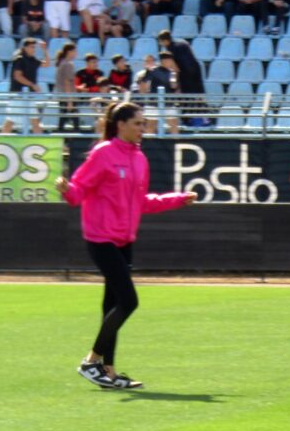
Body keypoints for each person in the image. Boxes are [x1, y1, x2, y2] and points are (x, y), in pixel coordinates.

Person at [55, 101, 196, 390]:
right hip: (101, 238)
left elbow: (142, 202)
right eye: (138, 123)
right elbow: (79, 191)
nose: (143, 128)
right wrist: (67, 189)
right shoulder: (103, 153)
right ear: (121, 125)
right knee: (129, 301)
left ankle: (109, 372)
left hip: (124, 240)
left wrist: (178, 199)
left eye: (144, 123)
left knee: (112, 304)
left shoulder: (139, 159)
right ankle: (91, 361)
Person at [11, 37, 50, 133]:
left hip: (28, 95)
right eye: (32, 47)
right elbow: (17, 76)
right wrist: (32, 85)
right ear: (25, 47)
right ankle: (1, 141)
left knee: (34, 121)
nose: (34, 49)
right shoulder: (19, 59)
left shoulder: (32, 59)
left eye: (34, 47)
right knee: (10, 121)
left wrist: (45, 50)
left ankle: (40, 141)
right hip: (18, 95)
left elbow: (46, 64)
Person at [54, 41, 79, 132]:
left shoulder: (62, 63)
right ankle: (76, 138)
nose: (76, 53)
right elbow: (67, 82)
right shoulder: (68, 64)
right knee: (74, 119)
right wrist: (70, 100)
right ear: (69, 52)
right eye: (75, 51)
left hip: (63, 96)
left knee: (63, 119)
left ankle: (62, 135)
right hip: (68, 97)